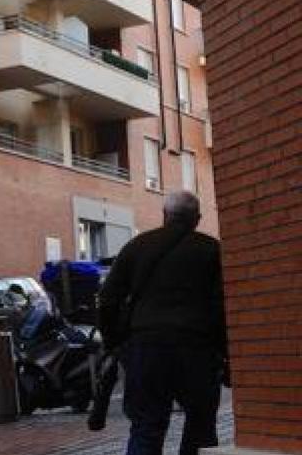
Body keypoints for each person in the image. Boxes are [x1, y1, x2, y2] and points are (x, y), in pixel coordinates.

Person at [97, 190, 226, 455]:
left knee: (147, 425)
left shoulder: (137, 246)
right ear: (197, 218)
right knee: (200, 428)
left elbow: (108, 299)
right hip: (197, 350)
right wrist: (224, 352)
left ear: (164, 215)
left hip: (147, 348)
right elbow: (222, 305)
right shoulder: (211, 250)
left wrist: (114, 342)